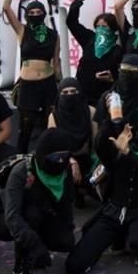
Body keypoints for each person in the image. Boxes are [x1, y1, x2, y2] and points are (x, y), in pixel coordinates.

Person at [66, 107, 138, 273]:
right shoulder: (117, 146)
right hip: (114, 210)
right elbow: (101, 148)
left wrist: (129, 154)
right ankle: (118, 237)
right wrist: (110, 124)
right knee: (76, 264)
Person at [0, 129, 78, 274]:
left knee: (64, 241)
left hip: (41, 210)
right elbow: (12, 216)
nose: (59, 162)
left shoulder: (65, 171)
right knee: (31, 215)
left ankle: (35, 251)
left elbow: (65, 206)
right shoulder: (22, 171)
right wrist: (34, 244)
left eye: (64, 157)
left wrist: (65, 230)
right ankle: (19, 272)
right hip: (7, 217)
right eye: (54, 158)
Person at [3, 0, 60, 153]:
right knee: (25, 129)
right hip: (28, 85)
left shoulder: (53, 35)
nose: (35, 16)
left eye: (38, 13)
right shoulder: (23, 30)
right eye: (32, 13)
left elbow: (56, 60)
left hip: (48, 83)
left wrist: (60, 82)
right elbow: (5, 7)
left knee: (48, 125)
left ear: (44, 14)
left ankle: (46, 159)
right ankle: (20, 161)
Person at [67, 0, 123, 106]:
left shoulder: (118, 50)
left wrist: (112, 79)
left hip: (104, 97)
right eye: (98, 27)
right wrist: (78, 1)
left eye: (104, 27)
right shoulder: (89, 39)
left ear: (112, 29)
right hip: (83, 93)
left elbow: (121, 76)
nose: (100, 30)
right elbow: (71, 23)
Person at [47, 78, 96, 206]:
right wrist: (72, 161)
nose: (69, 95)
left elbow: (97, 142)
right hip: (65, 158)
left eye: (73, 91)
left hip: (87, 157)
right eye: (65, 93)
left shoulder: (90, 112)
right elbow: (52, 146)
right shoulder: (54, 116)